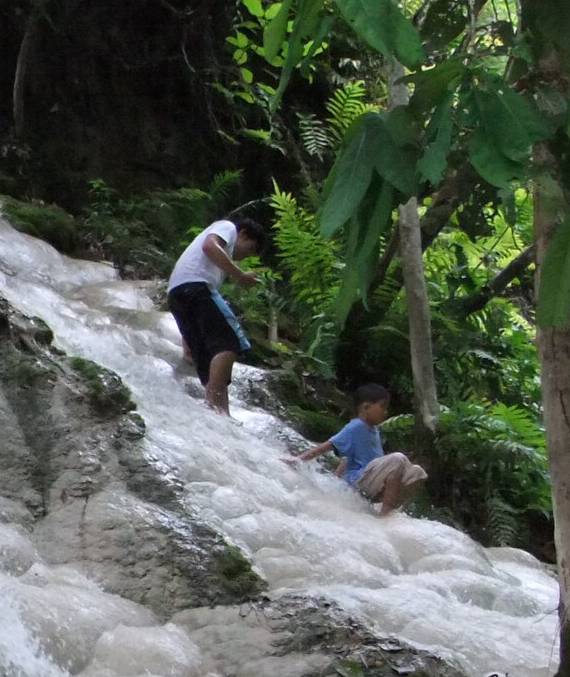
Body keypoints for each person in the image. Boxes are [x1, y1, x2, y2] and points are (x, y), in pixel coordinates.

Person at [167, 214, 266, 414]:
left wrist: (189, 339)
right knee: (229, 342)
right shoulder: (227, 227)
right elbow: (209, 246)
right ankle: (216, 403)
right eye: (250, 249)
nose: (246, 256)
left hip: (176, 295)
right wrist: (240, 275)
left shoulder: (212, 268)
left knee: (207, 359)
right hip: (195, 287)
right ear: (243, 234)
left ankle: (218, 412)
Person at [288, 382, 428, 516]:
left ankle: (388, 506)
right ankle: (385, 514)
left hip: (372, 482)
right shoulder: (355, 427)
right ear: (366, 407)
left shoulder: (374, 431)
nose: (385, 412)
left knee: (418, 473)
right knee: (398, 459)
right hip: (359, 481)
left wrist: (335, 477)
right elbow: (327, 445)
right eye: (382, 406)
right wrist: (299, 459)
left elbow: (347, 457)